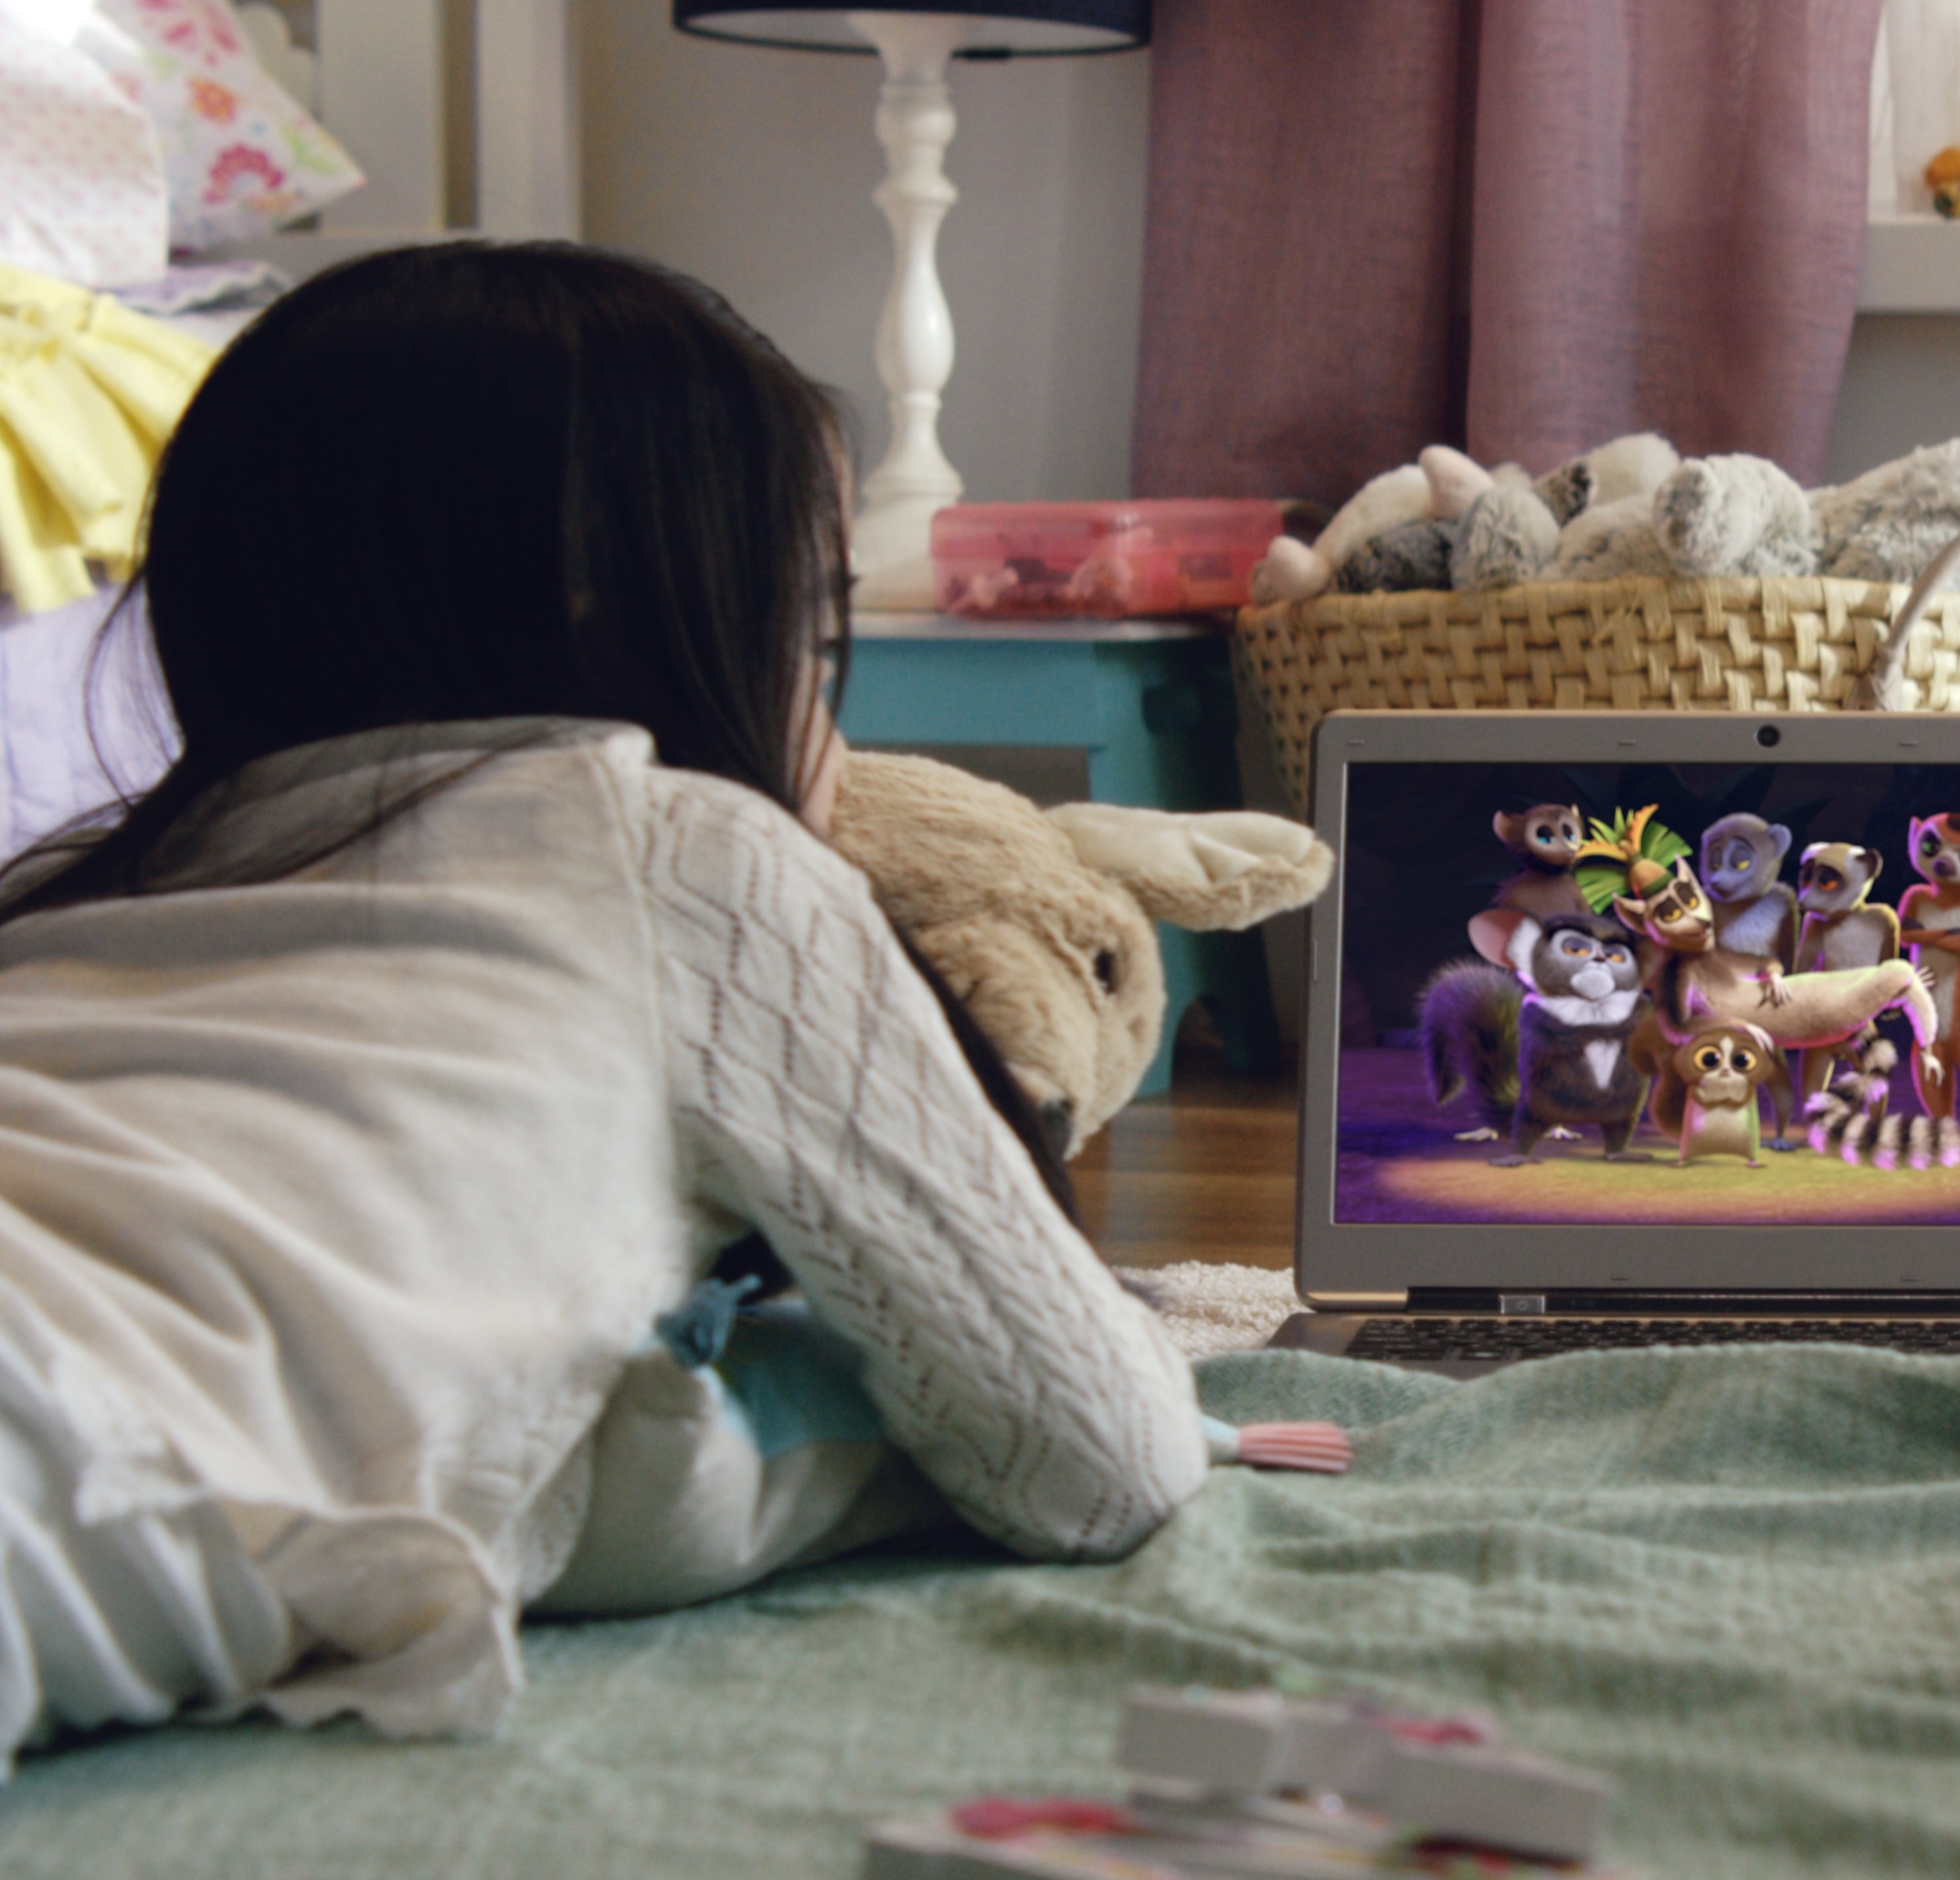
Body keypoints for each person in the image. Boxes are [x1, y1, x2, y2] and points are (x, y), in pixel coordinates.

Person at [0, 243, 1206, 1773]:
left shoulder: (84, 893)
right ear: (610, 593)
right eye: (815, 620)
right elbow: (1101, 1459)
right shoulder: (687, 852)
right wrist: (801, 1454)